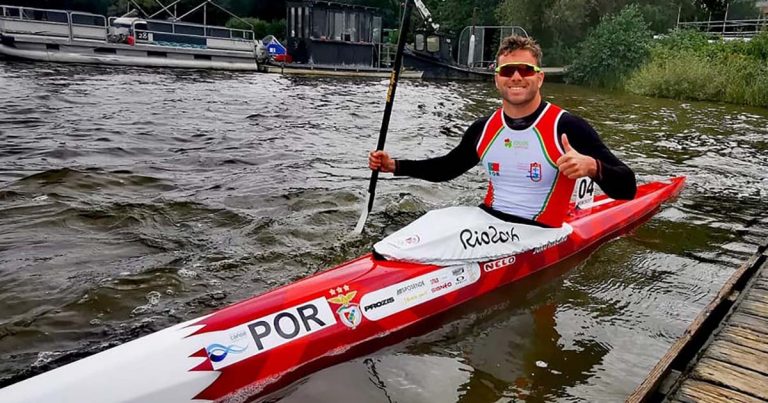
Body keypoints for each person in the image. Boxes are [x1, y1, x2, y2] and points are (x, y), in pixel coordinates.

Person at [368, 35, 636, 229]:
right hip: (488, 223)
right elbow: (446, 169)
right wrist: (394, 165)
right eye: (508, 70)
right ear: (497, 79)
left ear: (539, 78)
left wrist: (593, 167)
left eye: (525, 70)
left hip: (539, 234)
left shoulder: (567, 127)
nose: (516, 77)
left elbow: (628, 188)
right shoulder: (484, 128)